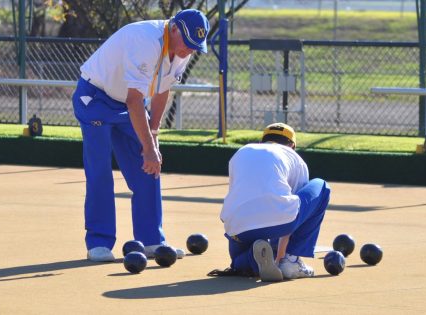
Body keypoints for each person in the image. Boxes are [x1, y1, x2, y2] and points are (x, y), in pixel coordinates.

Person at [72, 9, 210, 262]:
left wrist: (153, 138)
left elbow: (162, 91)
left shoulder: (182, 48)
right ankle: (98, 242)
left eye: (194, 47)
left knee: (150, 167)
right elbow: (135, 100)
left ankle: (151, 241)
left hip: (127, 105)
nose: (189, 51)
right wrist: (147, 147)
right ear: (174, 29)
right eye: (187, 44)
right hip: (95, 98)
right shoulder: (146, 40)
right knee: (100, 171)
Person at [218, 123, 331, 281]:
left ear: (261, 141)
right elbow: (294, 210)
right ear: (292, 145)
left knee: (238, 263)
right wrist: (281, 257)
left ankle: (254, 257)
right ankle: (292, 261)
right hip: (278, 222)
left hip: (236, 227)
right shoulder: (295, 159)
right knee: (322, 186)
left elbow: (237, 195)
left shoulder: (241, 152)